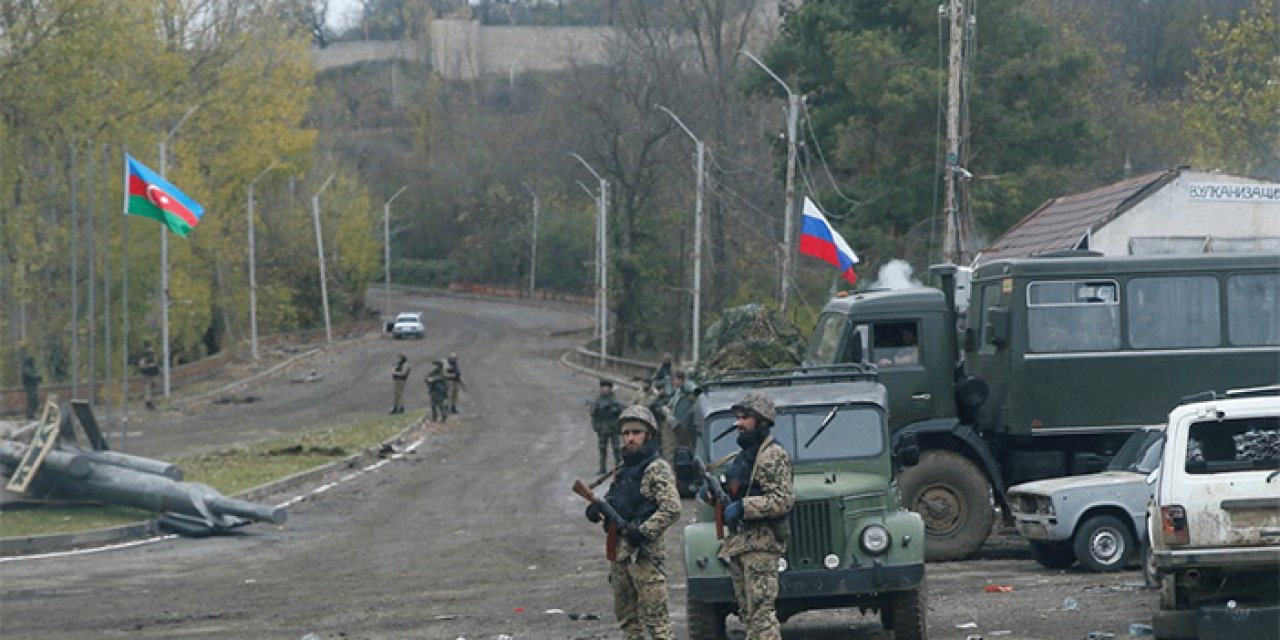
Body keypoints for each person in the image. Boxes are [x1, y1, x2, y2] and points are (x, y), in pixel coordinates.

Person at [584, 405, 682, 640]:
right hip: (620, 555)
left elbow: (672, 507)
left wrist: (644, 531)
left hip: (645, 557)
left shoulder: (656, 468)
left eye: (636, 433)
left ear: (648, 435)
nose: (630, 438)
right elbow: (614, 501)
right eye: (626, 433)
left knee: (658, 625)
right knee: (628, 621)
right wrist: (597, 508)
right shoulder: (624, 467)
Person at [704, 391, 793, 640]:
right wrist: (715, 496)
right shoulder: (743, 457)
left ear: (762, 421)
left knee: (762, 619)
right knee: (749, 616)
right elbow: (736, 491)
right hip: (740, 545)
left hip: (761, 546)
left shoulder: (772, 455)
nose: (738, 423)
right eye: (738, 418)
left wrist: (744, 507)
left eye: (745, 418)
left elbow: (782, 500)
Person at [589, 378, 625, 474]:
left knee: (617, 448)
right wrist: (595, 410)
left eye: (607, 387)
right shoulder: (597, 400)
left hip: (613, 427)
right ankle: (602, 468)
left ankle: (619, 466)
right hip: (602, 427)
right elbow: (592, 413)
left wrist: (615, 409)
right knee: (602, 448)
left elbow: (622, 410)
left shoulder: (615, 400)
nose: (605, 389)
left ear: (610, 388)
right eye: (603, 387)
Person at [666, 370, 700, 451]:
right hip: (680, 421)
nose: (673, 382)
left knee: (689, 443)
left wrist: (692, 398)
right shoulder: (679, 390)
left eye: (674, 379)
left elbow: (699, 393)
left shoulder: (688, 385)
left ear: (680, 380)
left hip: (688, 421)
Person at [137, 342, 160, 410]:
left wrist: (155, 365)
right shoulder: (145, 356)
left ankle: (151, 403)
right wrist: (149, 365)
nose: (151, 351)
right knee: (148, 389)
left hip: (153, 374)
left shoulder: (153, 355)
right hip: (147, 374)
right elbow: (141, 365)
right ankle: (149, 404)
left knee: (151, 389)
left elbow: (156, 364)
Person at [21, 355, 42, 420]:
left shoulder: (32, 367)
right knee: (33, 401)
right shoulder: (26, 368)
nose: (33, 362)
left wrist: (38, 377)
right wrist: (37, 377)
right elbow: (31, 375)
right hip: (30, 387)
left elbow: (37, 374)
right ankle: (29, 415)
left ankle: (31, 415)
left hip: (33, 386)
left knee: (35, 401)